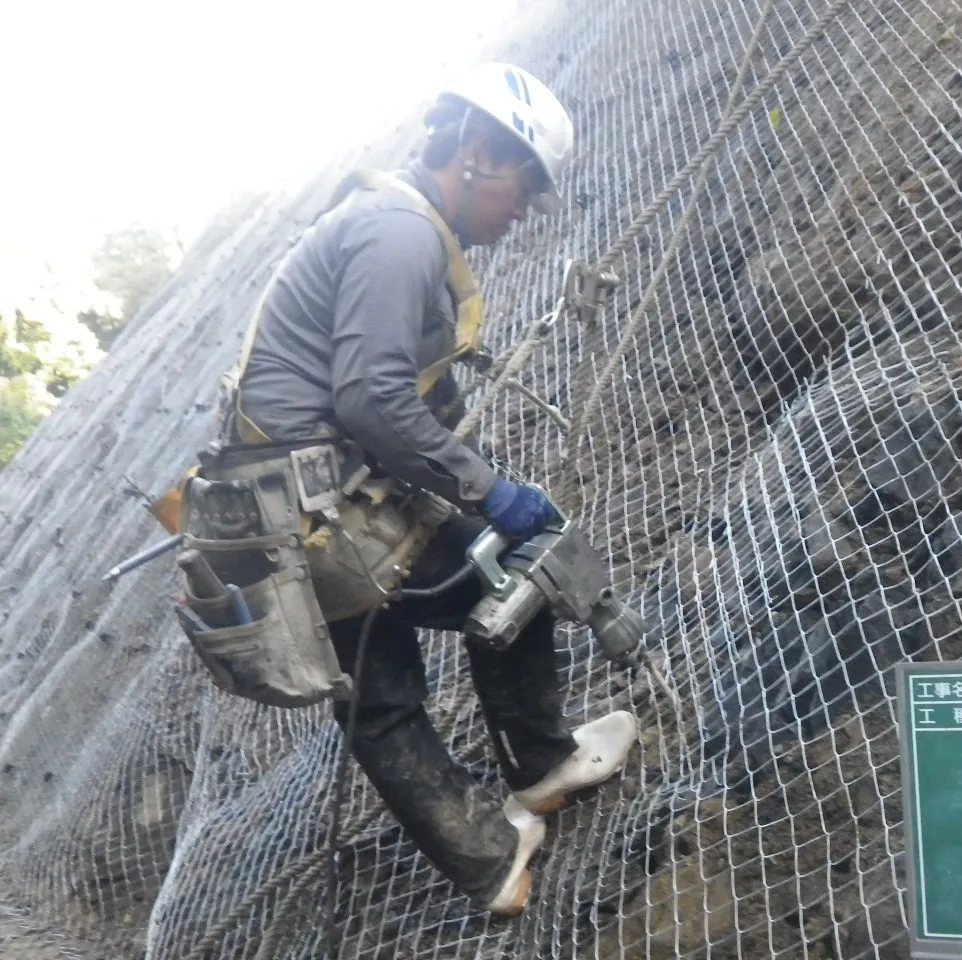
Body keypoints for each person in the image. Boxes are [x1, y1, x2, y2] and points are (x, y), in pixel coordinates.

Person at [229, 63, 639, 915]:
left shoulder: (383, 222)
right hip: (322, 507)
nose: (522, 211)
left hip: (271, 512)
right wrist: (491, 493)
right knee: (508, 570)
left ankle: (492, 860)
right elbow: (372, 398)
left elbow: (393, 389)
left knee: (379, 700)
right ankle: (542, 765)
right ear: (481, 152)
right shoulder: (401, 233)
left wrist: (464, 471)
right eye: (523, 188)